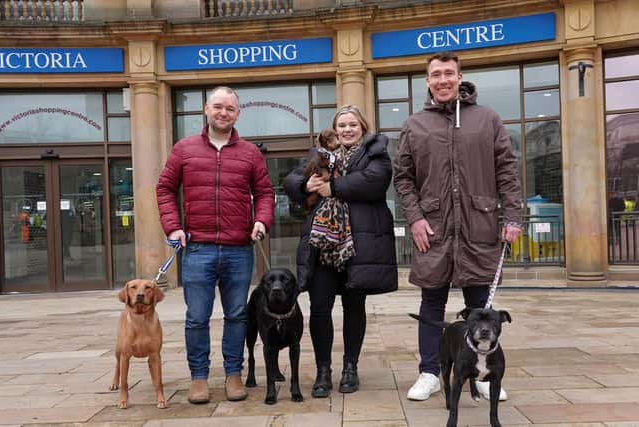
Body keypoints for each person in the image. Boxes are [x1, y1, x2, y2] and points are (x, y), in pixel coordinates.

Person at [393, 51, 522, 402]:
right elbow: (403, 179)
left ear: (460, 76)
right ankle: (429, 372)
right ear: (427, 81)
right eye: (436, 74)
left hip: (478, 225)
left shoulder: (487, 119)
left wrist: (512, 216)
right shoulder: (415, 124)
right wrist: (415, 217)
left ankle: (483, 372)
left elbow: (507, 172)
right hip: (432, 229)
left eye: (449, 73)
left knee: (480, 302)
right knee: (431, 303)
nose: (443, 80)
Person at [156, 86, 275, 404]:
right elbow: (165, 188)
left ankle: (234, 374)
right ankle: (199, 378)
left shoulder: (250, 153)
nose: (224, 113)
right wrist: (174, 227)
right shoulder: (184, 149)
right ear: (206, 109)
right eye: (219, 107)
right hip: (198, 248)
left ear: (238, 114)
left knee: (237, 314)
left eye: (231, 109)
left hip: (239, 248)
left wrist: (262, 220)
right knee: (197, 316)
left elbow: (265, 193)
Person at [284, 105, 398, 398]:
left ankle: (350, 367)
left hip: (356, 246)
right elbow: (291, 179)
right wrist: (305, 184)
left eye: (352, 125)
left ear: (362, 127)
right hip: (322, 246)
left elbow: (375, 181)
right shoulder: (319, 154)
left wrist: (332, 187)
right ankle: (324, 370)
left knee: (353, 307)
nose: (347, 130)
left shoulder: (376, 152)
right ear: (334, 131)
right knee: (319, 308)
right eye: (341, 126)